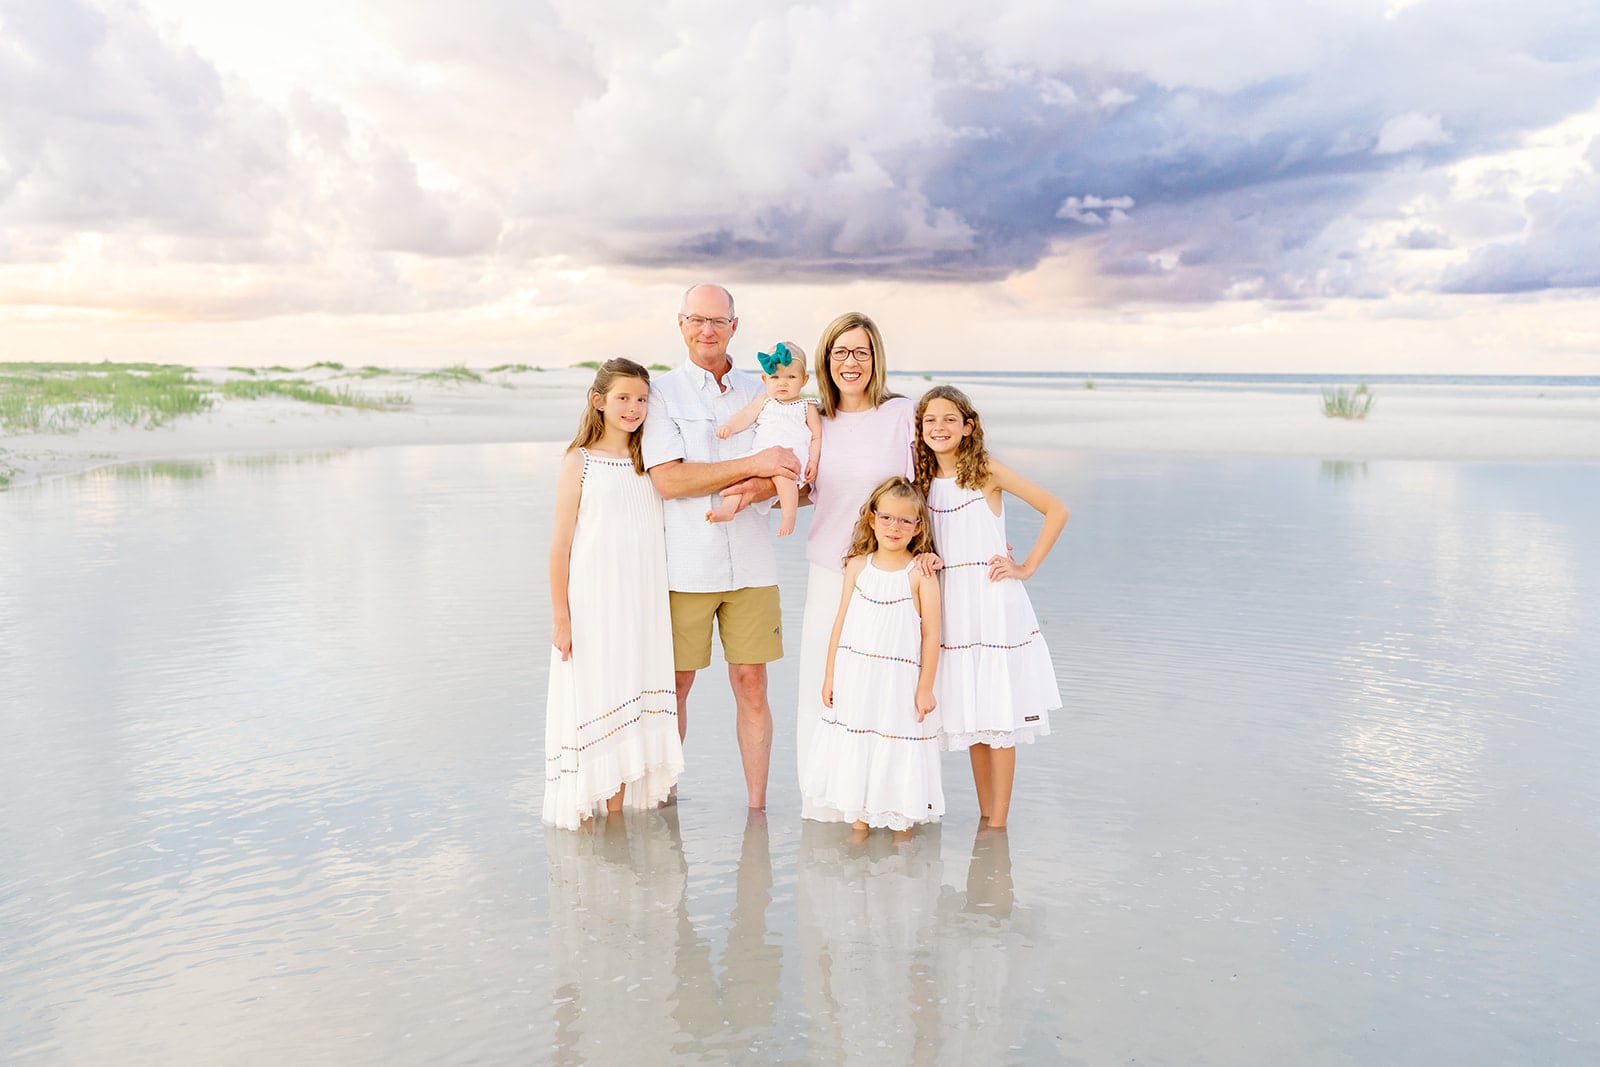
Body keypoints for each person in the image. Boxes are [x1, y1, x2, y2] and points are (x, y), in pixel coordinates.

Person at [642, 283, 801, 811]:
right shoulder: (661, 393)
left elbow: (798, 467)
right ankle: (665, 800)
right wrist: (756, 466)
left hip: (753, 562)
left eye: (717, 320)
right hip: (685, 564)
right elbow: (670, 481)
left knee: (752, 683)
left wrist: (761, 485)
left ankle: (757, 810)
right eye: (696, 320)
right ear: (681, 324)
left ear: (735, 325)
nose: (706, 330)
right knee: (678, 685)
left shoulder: (770, 387)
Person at [912, 385, 1068, 830]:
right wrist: (922, 557)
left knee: (998, 713)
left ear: (968, 425)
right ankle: (987, 824)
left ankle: (997, 825)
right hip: (950, 605)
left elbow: (1055, 509)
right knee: (973, 716)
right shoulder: (921, 483)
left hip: (993, 600)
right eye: (930, 421)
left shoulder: (987, 472)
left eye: (949, 419)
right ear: (920, 430)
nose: (939, 428)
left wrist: (1026, 566)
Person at [542, 358, 682, 829]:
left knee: (631, 691)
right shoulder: (578, 461)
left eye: (642, 399)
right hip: (594, 602)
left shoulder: (653, 462)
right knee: (596, 696)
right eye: (623, 397)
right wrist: (562, 618)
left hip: (643, 602)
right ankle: (586, 810)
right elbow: (560, 545)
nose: (634, 408)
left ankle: (618, 821)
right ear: (598, 401)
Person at [794, 312, 918, 823]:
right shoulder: (812, 420)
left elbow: (928, 490)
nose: (851, 362)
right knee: (822, 691)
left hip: (892, 576)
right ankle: (826, 809)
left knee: (887, 694)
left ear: (875, 359)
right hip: (829, 572)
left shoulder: (904, 414)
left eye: (861, 352)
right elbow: (797, 487)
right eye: (840, 352)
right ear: (826, 359)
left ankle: (892, 806)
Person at [801, 477, 943, 836]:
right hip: (856, 676)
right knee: (860, 744)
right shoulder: (857, 566)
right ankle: (860, 832)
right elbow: (841, 622)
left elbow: (931, 636)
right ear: (872, 519)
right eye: (887, 518)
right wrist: (830, 675)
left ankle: (901, 831)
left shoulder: (920, 574)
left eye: (904, 521)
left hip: (898, 683)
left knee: (895, 745)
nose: (894, 527)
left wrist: (925, 687)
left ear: (918, 527)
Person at [706, 341, 821, 537]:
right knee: (737, 473)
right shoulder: (765, 401)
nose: (782, 382)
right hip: (761, 455)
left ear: (804, 379)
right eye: (774, 377)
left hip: (791, 459)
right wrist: (730, 427)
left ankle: (788, 516)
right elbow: (745, 416)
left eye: (791, 377)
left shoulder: (806, 406)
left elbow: (817, 436)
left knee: (784, 479)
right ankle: (728, 508)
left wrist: (813, 461)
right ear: (764, 379)